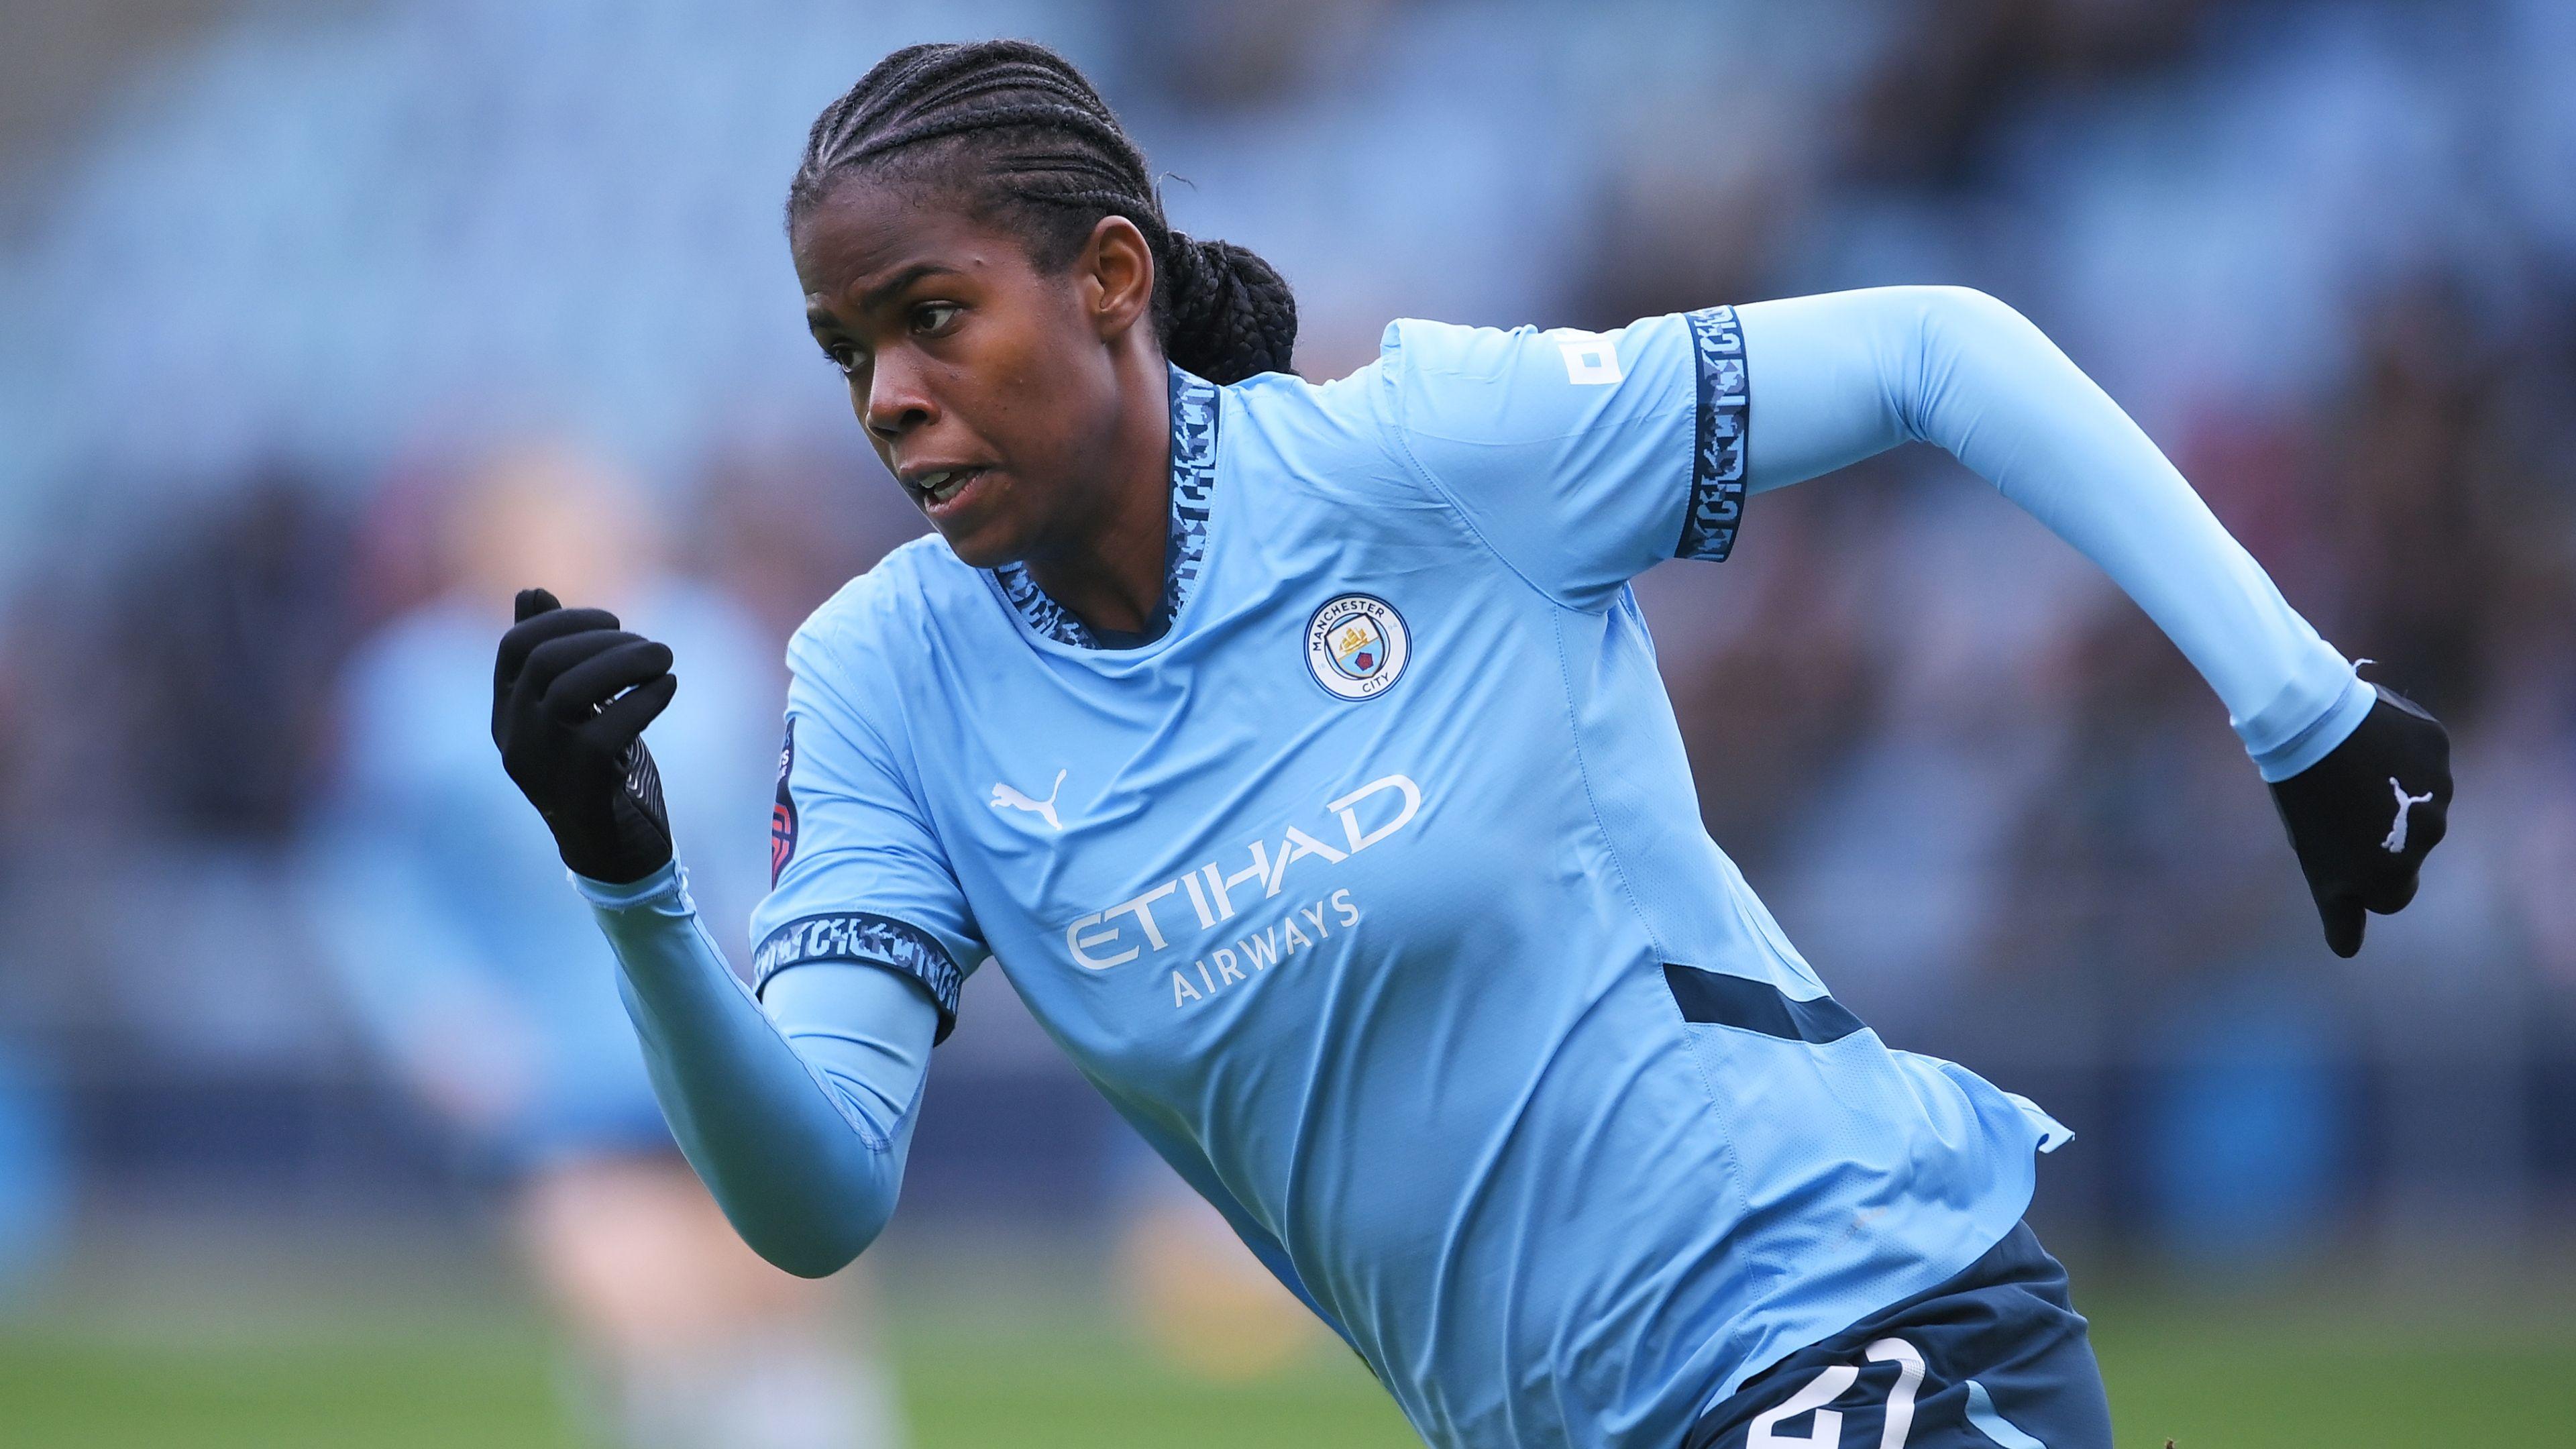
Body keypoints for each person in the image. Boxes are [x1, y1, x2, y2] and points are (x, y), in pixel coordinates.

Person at [488, 41, 2451, 1449]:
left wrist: (2305, 712)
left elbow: (1944, 349)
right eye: (850, 354)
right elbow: (818, 1200)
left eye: (932, 317)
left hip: (1853, 1313)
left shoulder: (1428, 457)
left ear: (1108, 283)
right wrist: (633, 888)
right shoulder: (881, 686)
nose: (893, 398)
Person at [311, 445, 906, 1449]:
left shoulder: (707, 653)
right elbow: (368, 887)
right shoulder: (413, 691)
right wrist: (434, 1024)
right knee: (648, 1325)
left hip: (725, 1039)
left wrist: (801, 977)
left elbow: (781, 829)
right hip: (556, 1071)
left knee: (797, 1301)